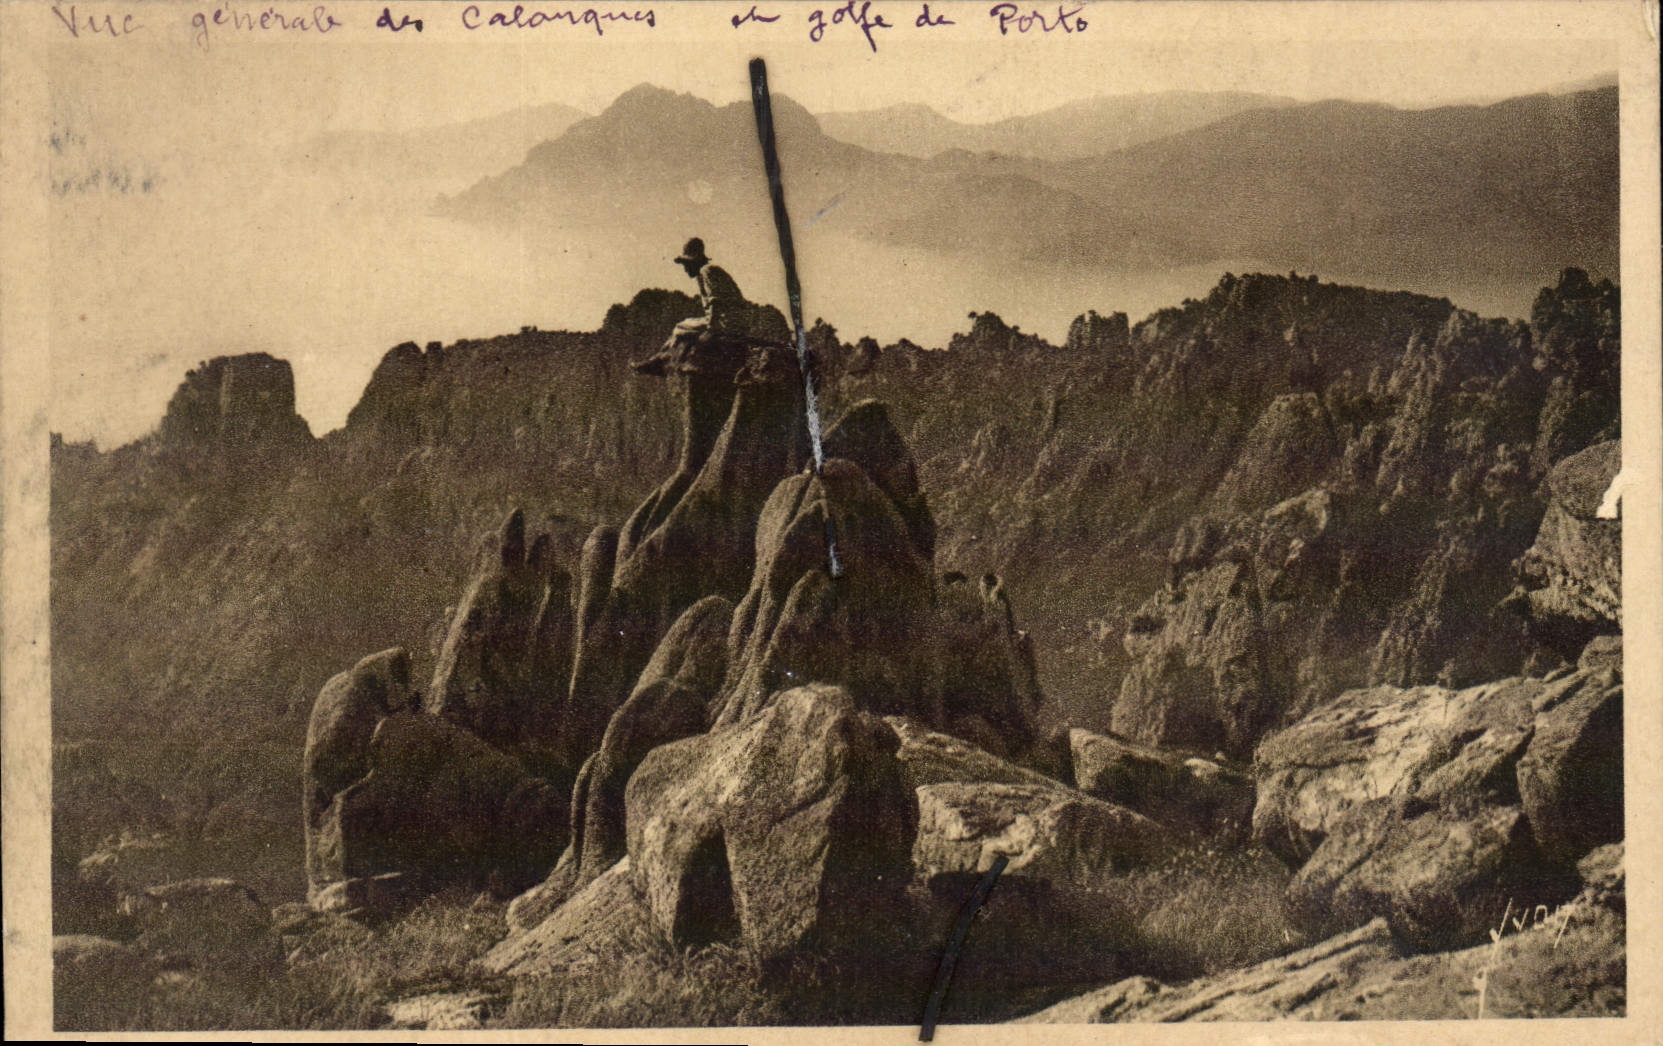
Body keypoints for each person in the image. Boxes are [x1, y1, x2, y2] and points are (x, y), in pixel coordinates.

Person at [633, 238, 751, 377]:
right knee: (685, 325)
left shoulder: (707, 271)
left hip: (727, 323)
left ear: (694, 261)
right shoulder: (708, 272)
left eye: (686, 264)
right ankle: (659, 359)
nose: (685, 269)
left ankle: (660, 361)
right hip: (734, 321)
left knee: (680, 327)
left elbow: (716, 301)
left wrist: (711, 330)